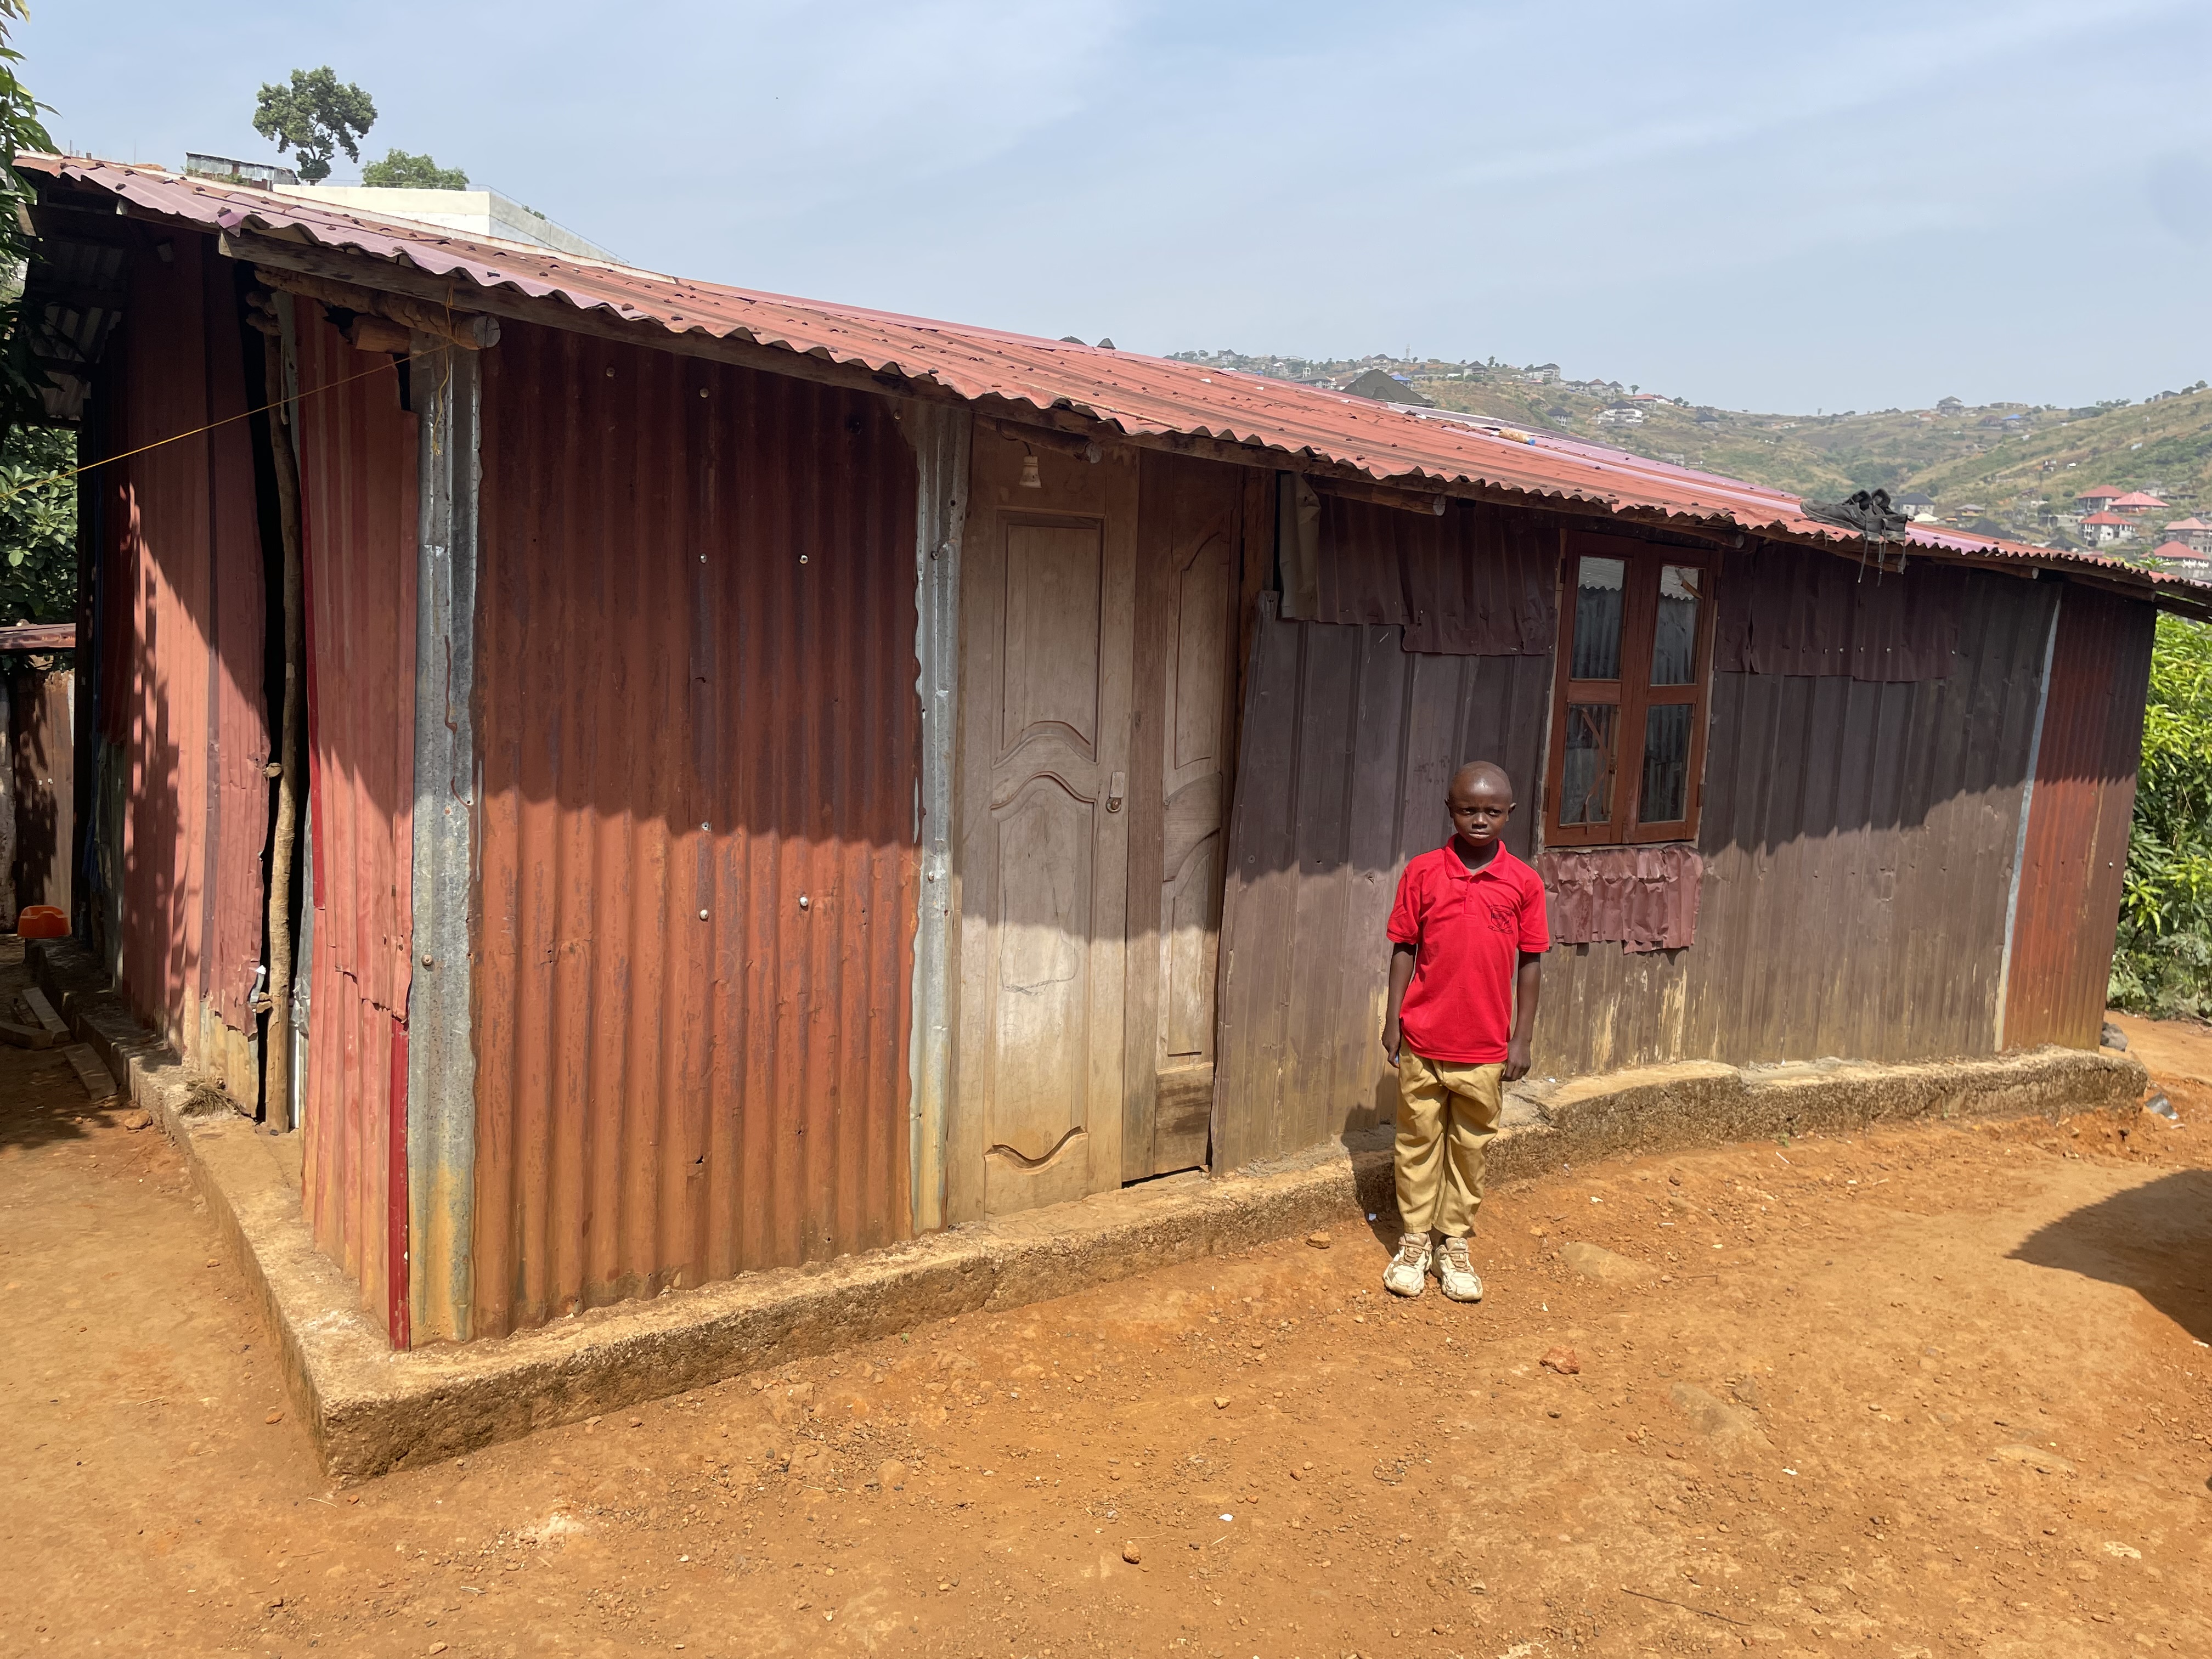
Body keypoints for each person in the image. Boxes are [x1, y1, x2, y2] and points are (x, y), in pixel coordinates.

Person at [1380, 761, 1548, 1302]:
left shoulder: (1524, 883)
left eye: (1492, 811)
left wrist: (1520, 1040)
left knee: (1471, 1146)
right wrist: (1393, 1021)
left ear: (1510, 814)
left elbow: (1532, 961)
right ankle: (1413, 1239)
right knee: (1416, 1142)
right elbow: (1404, 948)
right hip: (1425, 1041)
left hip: (1484, 1049)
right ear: (1450, 811)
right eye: (1468, 809)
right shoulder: (1423, 873)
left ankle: (1452, 1240)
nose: (1480, 820)